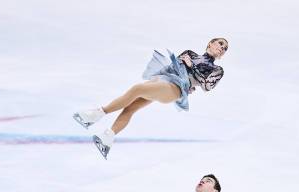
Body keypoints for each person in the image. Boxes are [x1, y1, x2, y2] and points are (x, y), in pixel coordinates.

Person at [73, 38, 229, 159]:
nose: (222, 48)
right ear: (210, 43)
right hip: (164, 79)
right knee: (131, 106)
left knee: (137, 89)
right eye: (220, 44)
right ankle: (107, 138)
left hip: (175, 88)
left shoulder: (217, 69)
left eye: (225, 48)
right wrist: (160, 76)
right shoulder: (190, 53)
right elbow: (174, 66)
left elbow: (207, 86)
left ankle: (96, 114)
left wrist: (192, 68)